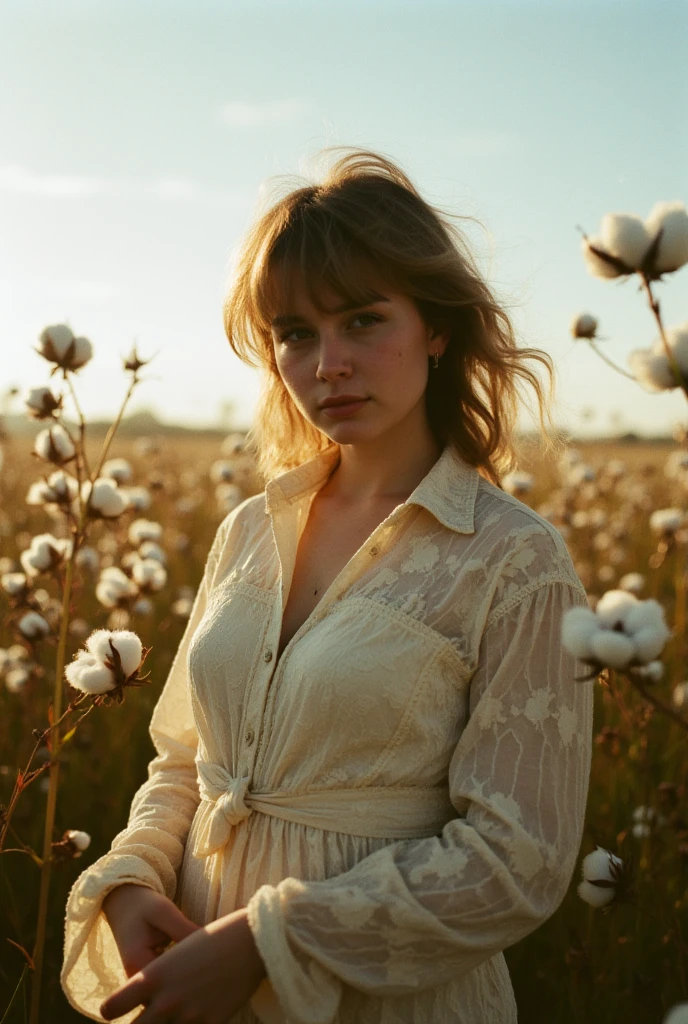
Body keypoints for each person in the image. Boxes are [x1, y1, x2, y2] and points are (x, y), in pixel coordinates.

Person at [61, 147, 594, 1023]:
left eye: (362, 320)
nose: (327, 364)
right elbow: (188, 762)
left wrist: (272, 944)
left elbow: (516, 862)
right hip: (196, 982)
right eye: (296, 334)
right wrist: (131, 878)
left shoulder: (515, 559)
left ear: (436, 326)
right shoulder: (247, 532)